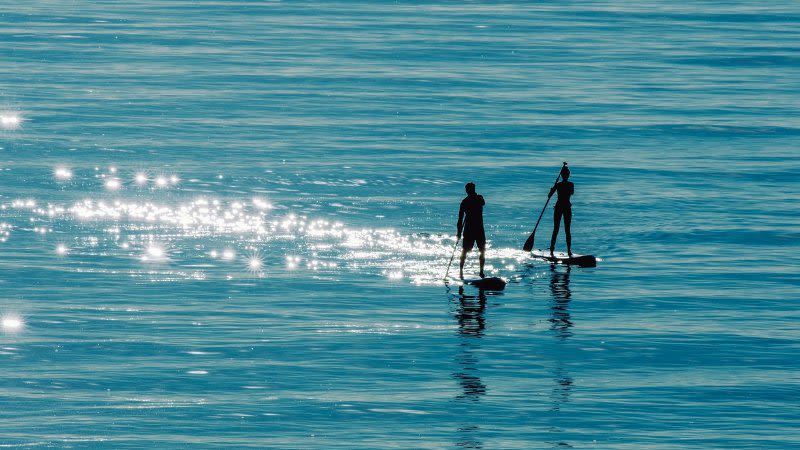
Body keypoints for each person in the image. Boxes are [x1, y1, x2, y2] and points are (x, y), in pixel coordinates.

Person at [457, 182, 486, 279]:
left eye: (470, 189)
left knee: (482, 250)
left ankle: (481, 271)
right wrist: (458, 233)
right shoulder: (464, 202)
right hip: (470, 230)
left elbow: (483, 203)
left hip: (479, 230)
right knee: (465, 251)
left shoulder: (479, 198)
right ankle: (461, 270)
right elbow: (460, 219)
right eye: (469, 190)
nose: (469, 191)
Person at [548, 165, 574, 257]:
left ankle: (552, 249)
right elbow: (571, 193)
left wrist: (553, 188)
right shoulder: (571, 184)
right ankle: (569, 251)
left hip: (559, 207)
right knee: (567, 230)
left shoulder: (558, 185)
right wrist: (555, 187)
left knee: (556, 229)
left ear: (562, 175)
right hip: (566, 207)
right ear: (568, 175)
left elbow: (549, 195)